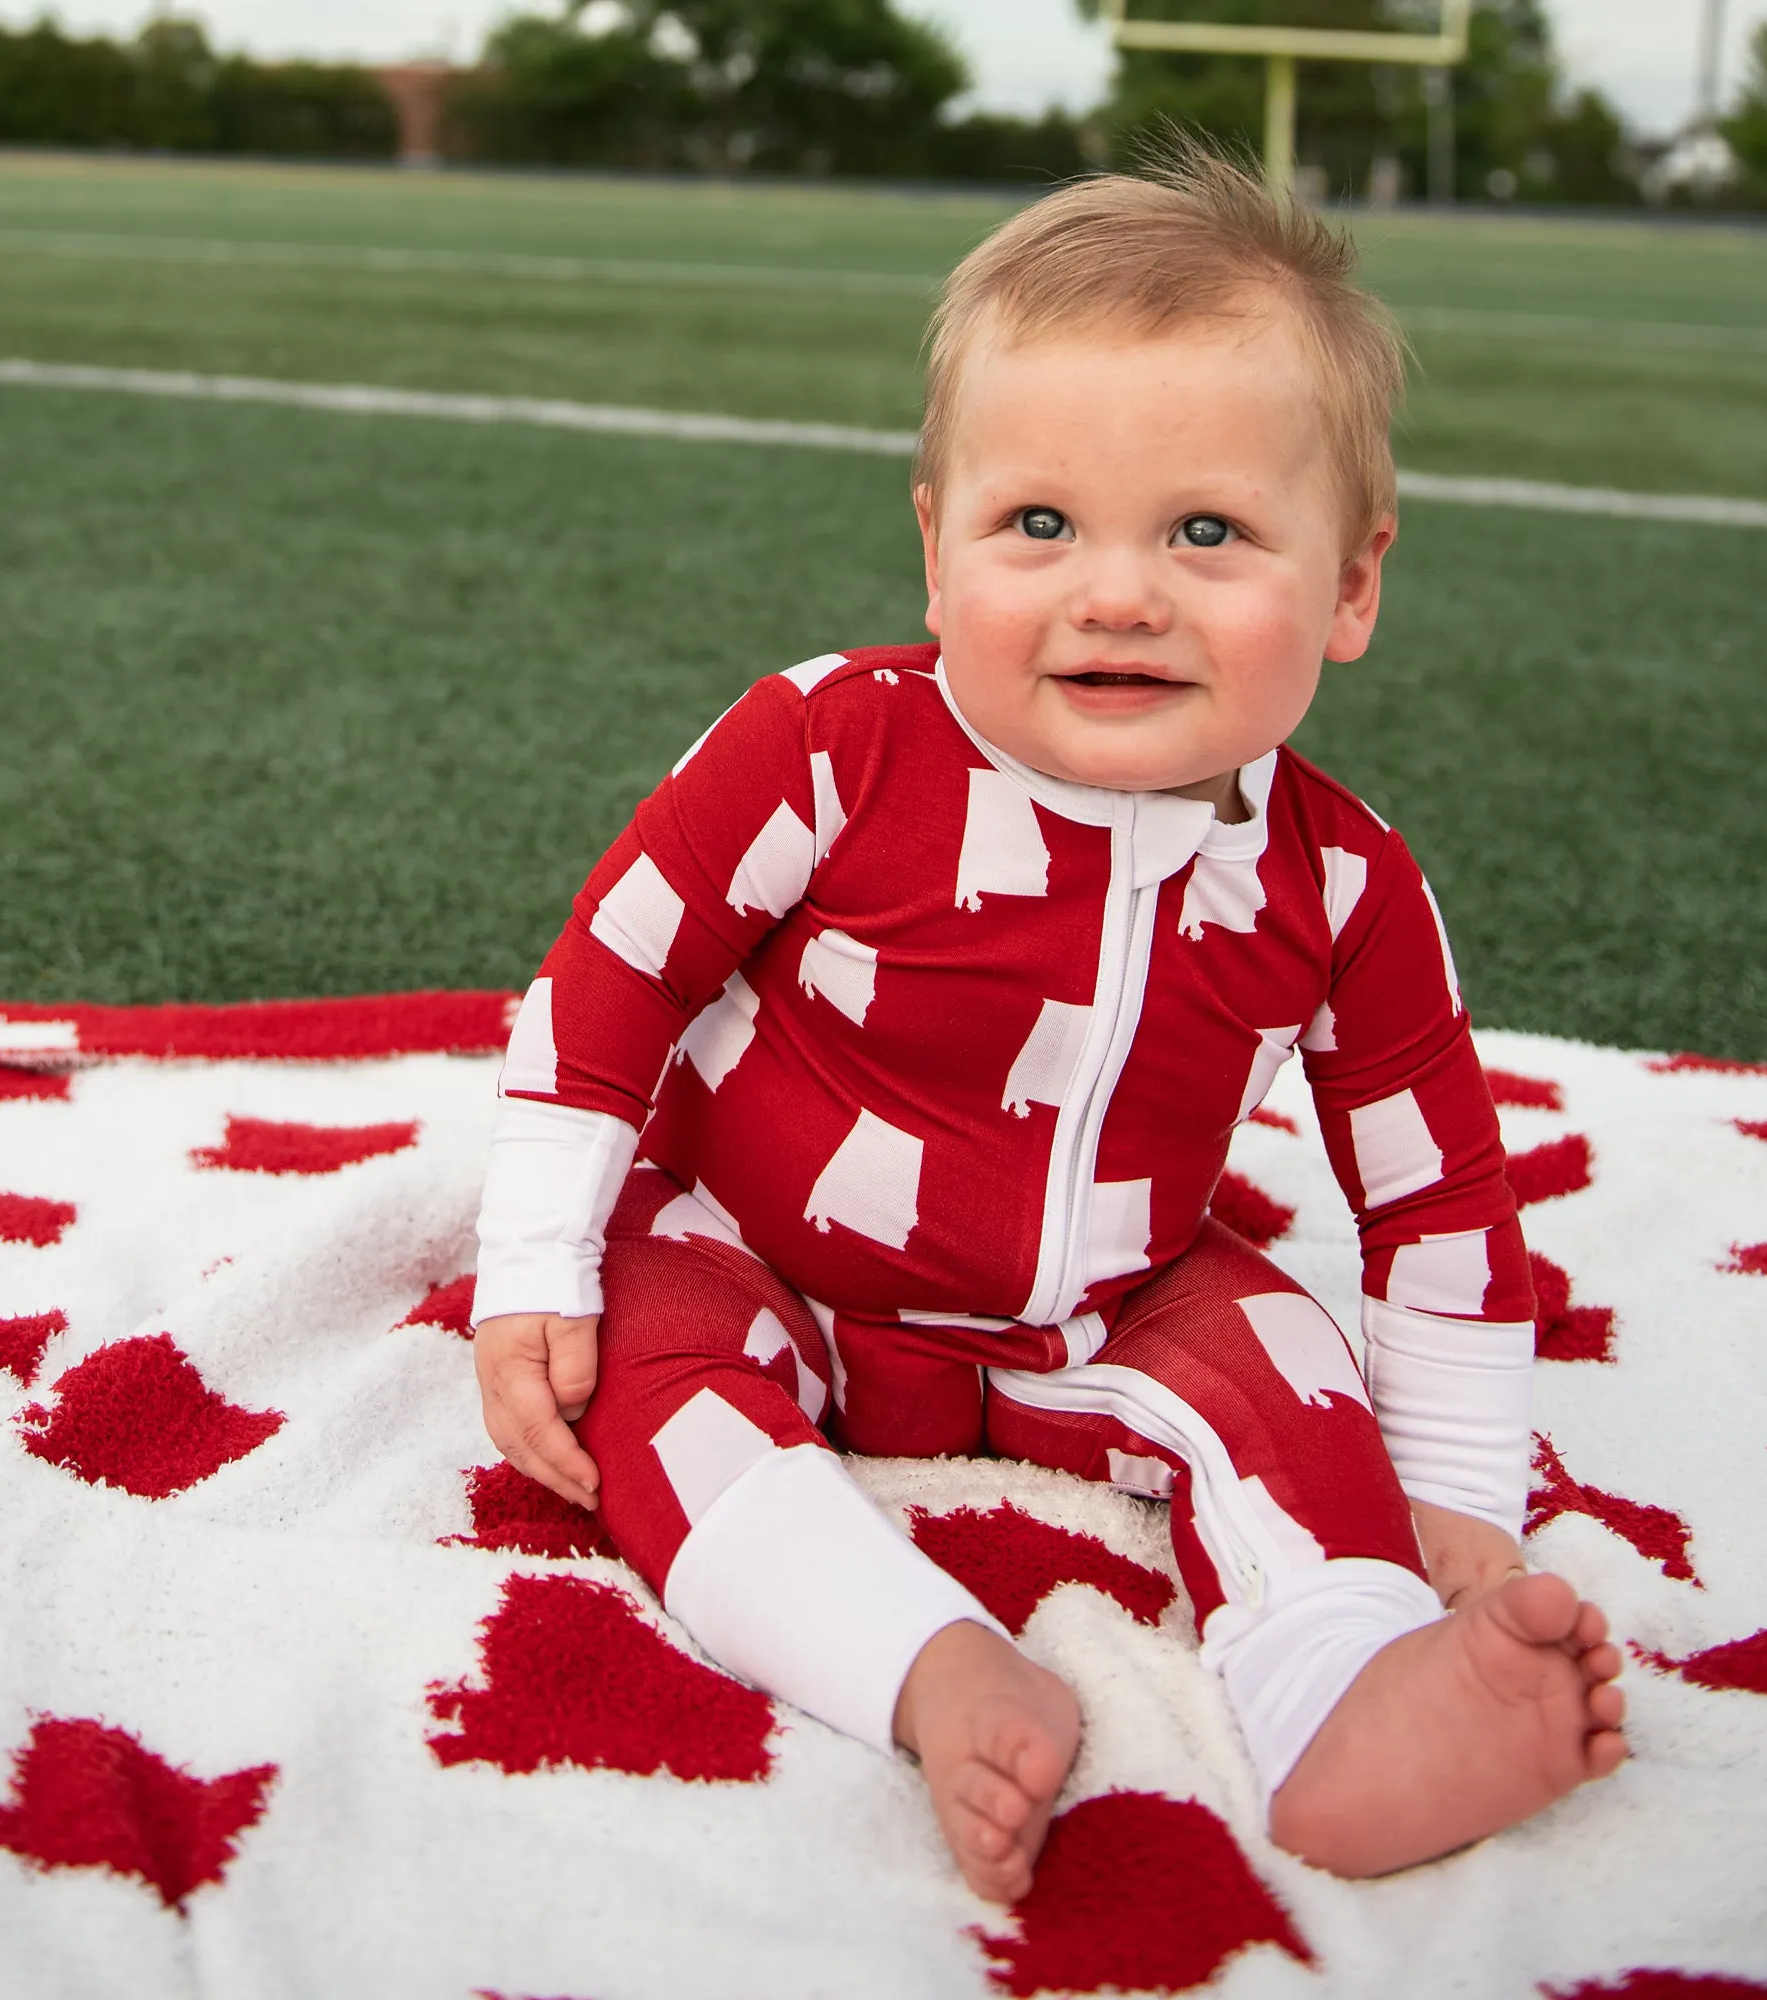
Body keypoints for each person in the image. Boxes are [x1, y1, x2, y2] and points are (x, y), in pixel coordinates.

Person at [469, 138, 1626, 1903]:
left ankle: (1351, 1697)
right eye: (1040, 525)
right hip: (763, 1254)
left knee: (1290, 1380)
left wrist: (1458, 1488)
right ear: (936, 555)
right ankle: (925, 1667)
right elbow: (613, 977)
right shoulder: (825, 745)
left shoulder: (1345, 884)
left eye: (1209, 533)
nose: (1116, 591)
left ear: (1355, 585)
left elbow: (1440, 1193)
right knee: (647, 1382)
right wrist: (535, 1263)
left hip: (1113, 1294)